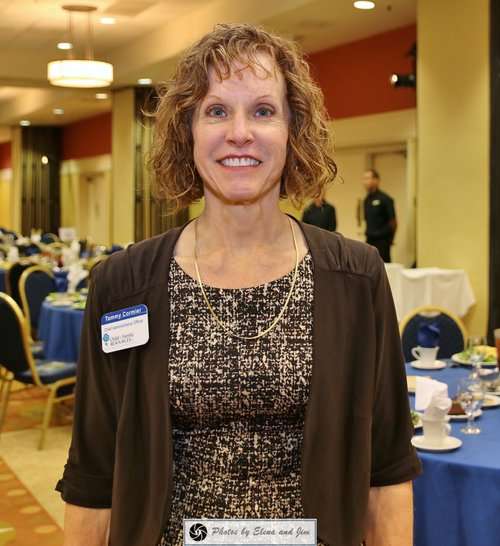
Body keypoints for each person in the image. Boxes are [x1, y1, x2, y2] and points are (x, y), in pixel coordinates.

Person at [57, 23, 420, 546]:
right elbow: (92, 477)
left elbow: (387, 472)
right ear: (188, 131)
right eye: (217, 111)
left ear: (293, 130)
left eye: (264, 111)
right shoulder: (123, 285)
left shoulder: (357, 278)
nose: (240, 133)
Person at [362, 169, 397, 262]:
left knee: (383, 266)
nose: (365, 182)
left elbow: (393, 222)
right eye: (364, 179)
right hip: (370, 240)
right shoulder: (366, 200)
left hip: (382, 242)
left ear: (376, 180)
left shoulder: (385, 199)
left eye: (367, 178)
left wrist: (390, 240)